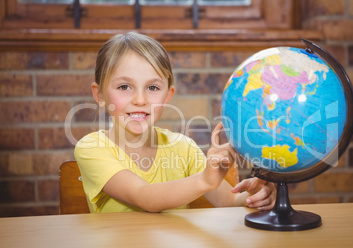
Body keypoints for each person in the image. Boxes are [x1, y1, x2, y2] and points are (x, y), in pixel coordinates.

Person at [74, 32, 276, 213]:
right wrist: (205, 180)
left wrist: (255, 197)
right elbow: (143, 195)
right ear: (99, 94)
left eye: (152, 88)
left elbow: (229, 202)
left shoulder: (183, 147)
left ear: (168, 95)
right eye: (124, 86)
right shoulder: (92, 148)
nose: (140, 100)